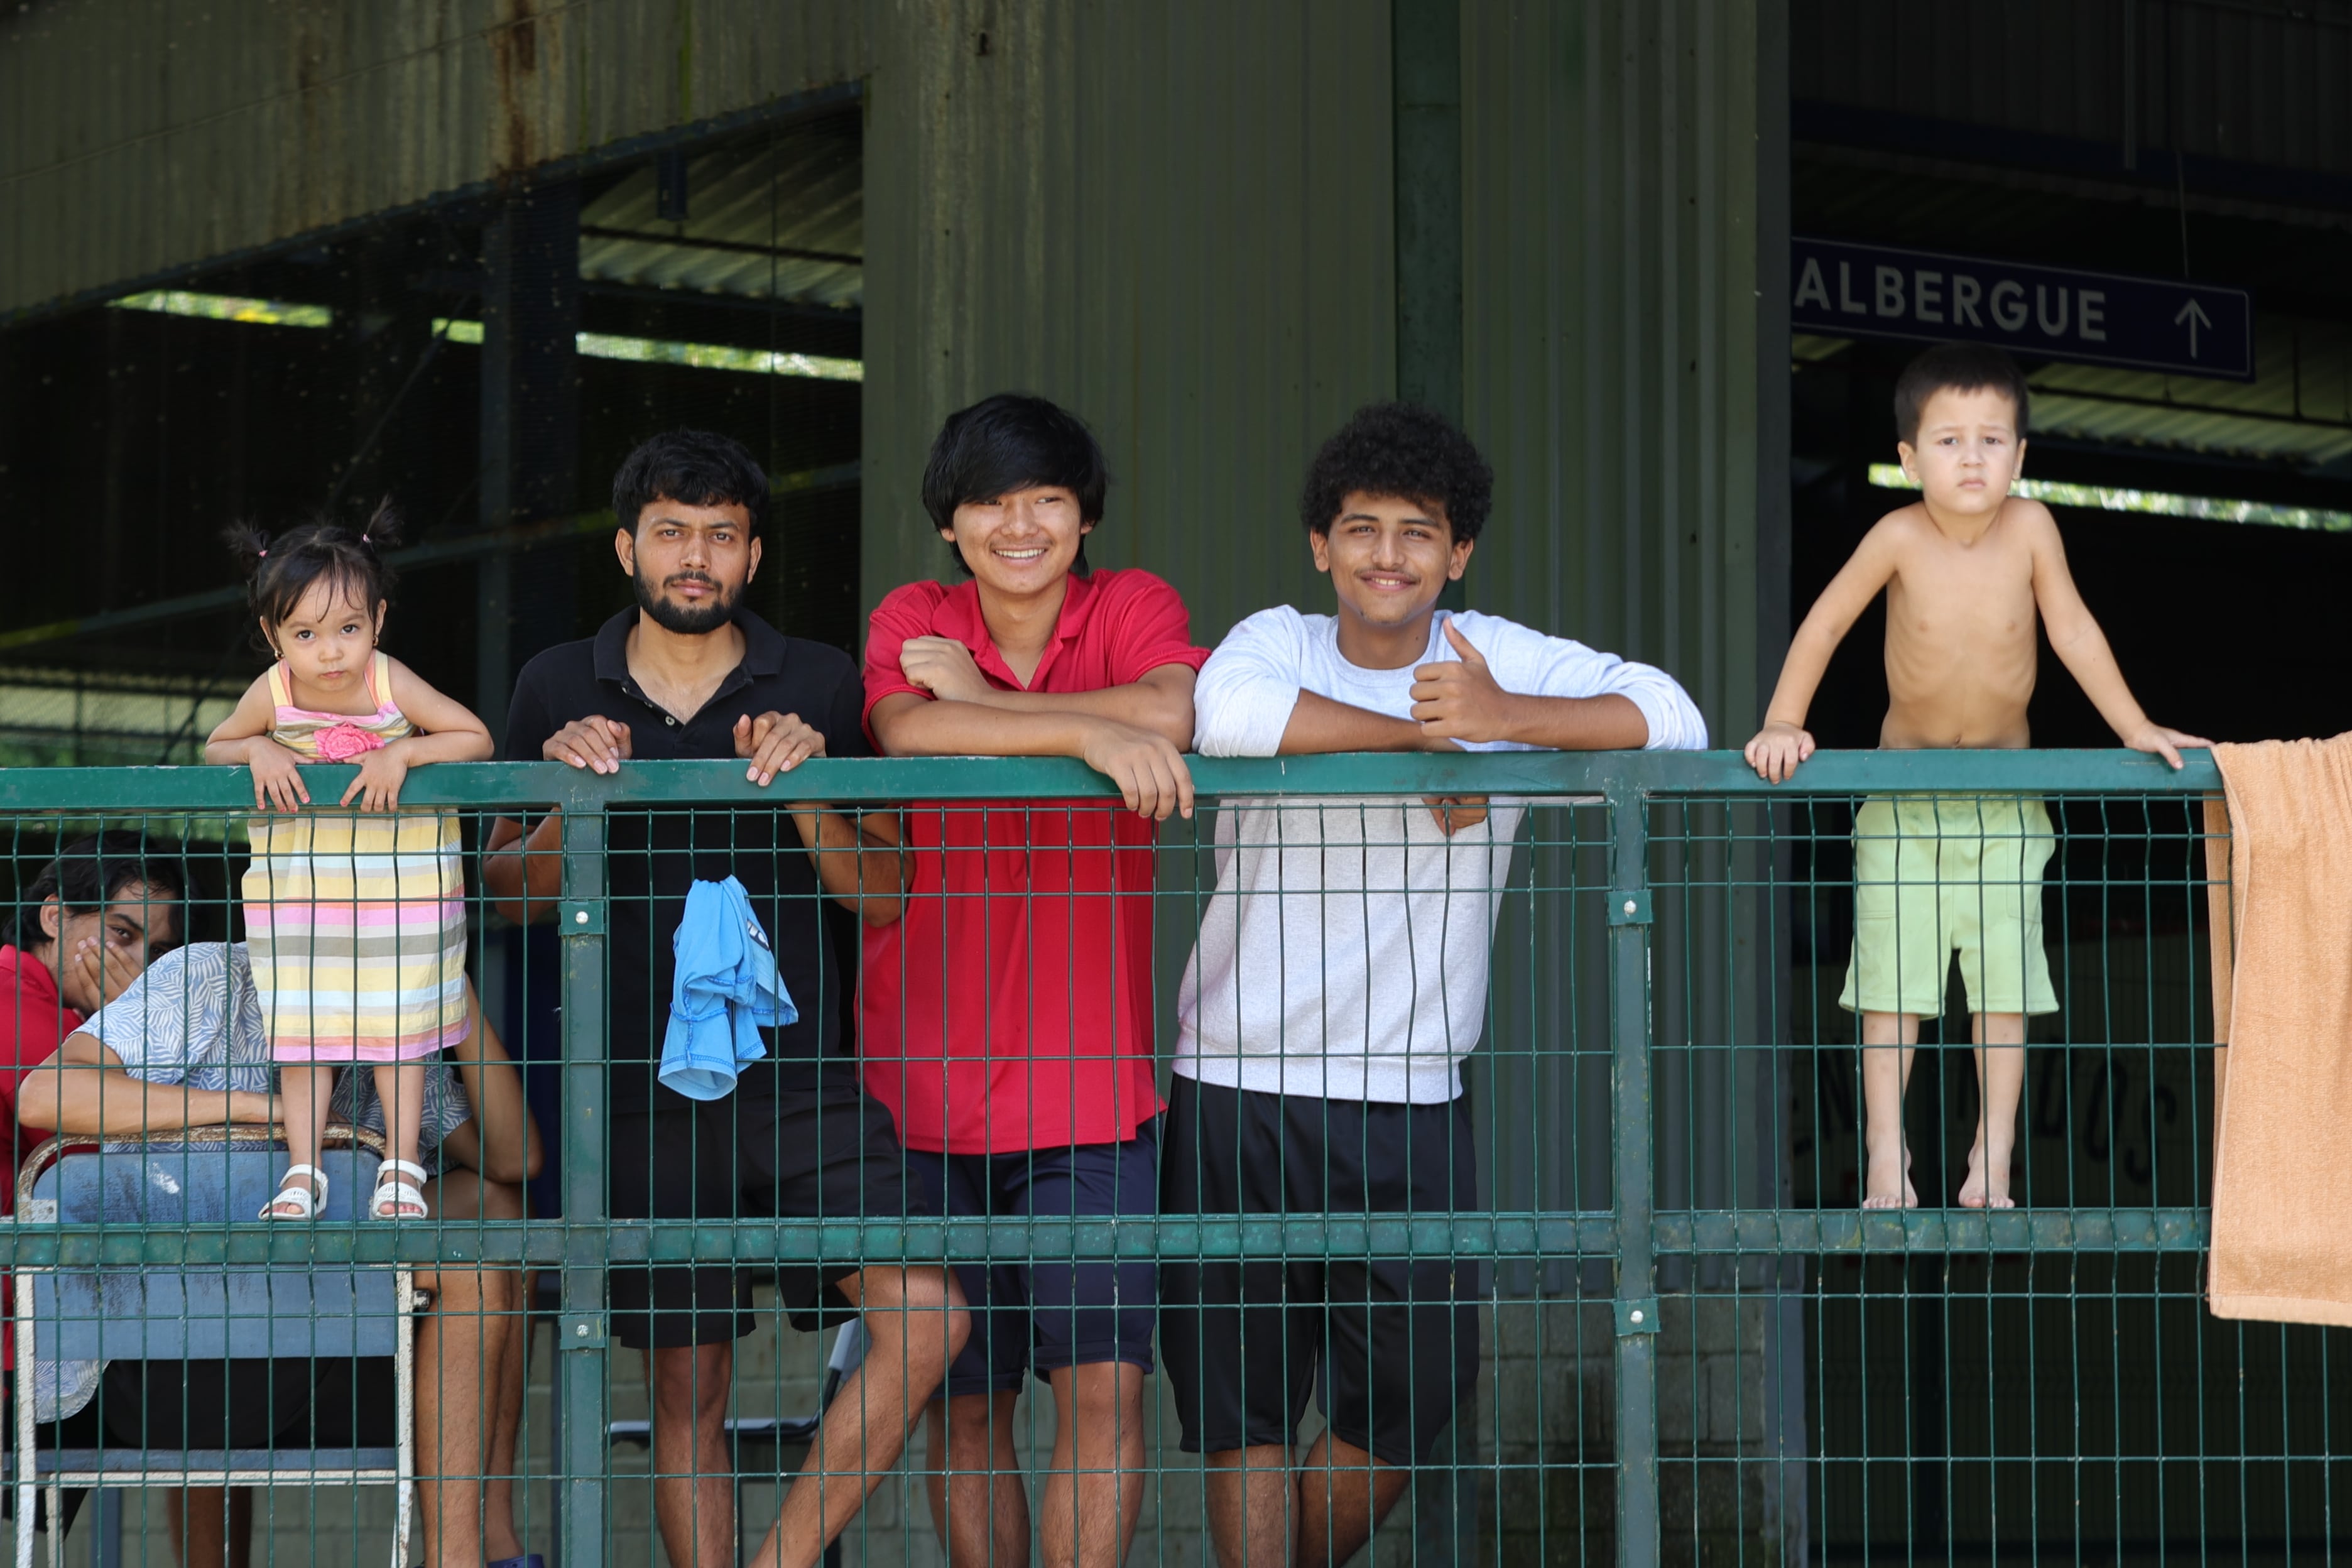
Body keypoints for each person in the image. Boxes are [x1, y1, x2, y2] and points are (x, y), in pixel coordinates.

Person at [1168, 401, 1707, 1567]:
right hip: (1234, 1081)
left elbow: (1676, 721)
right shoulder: (1276, 641)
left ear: (1457, 553)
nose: (1387, 555)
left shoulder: (1494, 658)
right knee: (1241, 1405)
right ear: (1320, 545)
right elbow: (1226, 715)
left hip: (1409, 1093)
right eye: (1361, 528)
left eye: (1417, 532)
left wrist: (1505, 720)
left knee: (1415, 1394)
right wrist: (1420, 745)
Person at [482, 428, 966, 1568]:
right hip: (633, 1090)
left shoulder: (821, 682)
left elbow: (884, 893)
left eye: (719, 535)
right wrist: (570, 796)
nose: (693, 557)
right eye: (669, 532)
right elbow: (507, 896)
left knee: (927, 1317)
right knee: (688, 1393)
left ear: (752, 555)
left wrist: (806, 788)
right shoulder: (556, 683)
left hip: (800, 1081)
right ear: (626, 549)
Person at [1742, 343, 2208, 1211]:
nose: (1971, 458)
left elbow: (2073, 630)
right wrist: (1782, 720)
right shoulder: (1897, 535)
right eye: (1949, 440)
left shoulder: (2032, 530)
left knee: (2004, 989)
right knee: (1892, 988)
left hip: (2004, 804)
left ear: (2019, 457)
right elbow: (1825, 623)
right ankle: (1887, 1152)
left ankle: (1992, 1156)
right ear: (1909, 457)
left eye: (1992, 440)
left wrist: (2136, 726)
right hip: (1903, 804)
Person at [863, 394, 1206, 1568]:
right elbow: (907, 733)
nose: (1020, 525)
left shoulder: (1134, 604)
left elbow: (1168, 710)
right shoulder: (913, 616)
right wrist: (1083, 735)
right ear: (948, 522)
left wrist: (987, 704)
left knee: (1104, 1392)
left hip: (1091, 1097)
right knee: (966, 1407)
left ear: (1084, 515)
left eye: (1047, 499)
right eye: (990, 502)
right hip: (922, 1093)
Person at [15, 941, 545, 1568]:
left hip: (319, 1353)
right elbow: (44, 1094)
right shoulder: (211, 976)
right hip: (165, 1364)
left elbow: (515, 1161)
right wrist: (267, 1115)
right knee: (243, 1263)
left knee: (498, 1224)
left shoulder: (394, 1018)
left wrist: (451, 977)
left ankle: (480, 1549)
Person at [204, 501, 495, 1222]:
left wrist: (404, 753)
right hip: (307, 898)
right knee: (304, 1033)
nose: (330, 652)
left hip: (400, 893)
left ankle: (403, 1166)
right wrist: (258, 747)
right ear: (272, 634)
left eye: (348, 629)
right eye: (305, 634)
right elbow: (216, 747)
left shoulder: (390, 682)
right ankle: (303, 1171)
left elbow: (474, 737)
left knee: (401, 1030)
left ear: (379, 620)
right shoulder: (272, 693)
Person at [0, 834, 185, 1542]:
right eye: (121, 935)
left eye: (155, 953)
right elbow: (122, 1165)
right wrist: (136, 1021)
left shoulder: (66, 1021)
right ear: (54, 918)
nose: (137, 968)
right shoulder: (19, 1007)